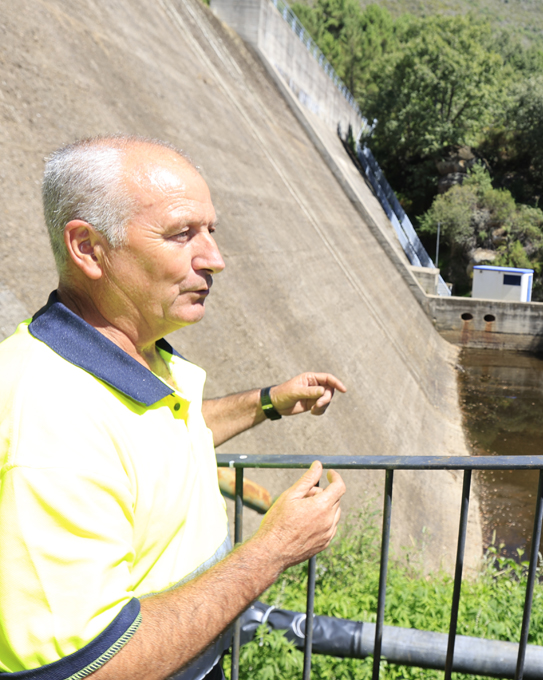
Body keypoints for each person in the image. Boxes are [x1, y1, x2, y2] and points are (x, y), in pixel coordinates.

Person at [0, 136, 349, 680]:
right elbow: (92, 668)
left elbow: (159, 438)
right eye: (182, 234)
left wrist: (268, 403)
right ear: (88, 248)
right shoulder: (50, 422)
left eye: (210, 231)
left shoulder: (135, 353)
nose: (216, 259)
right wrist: (272, 550)